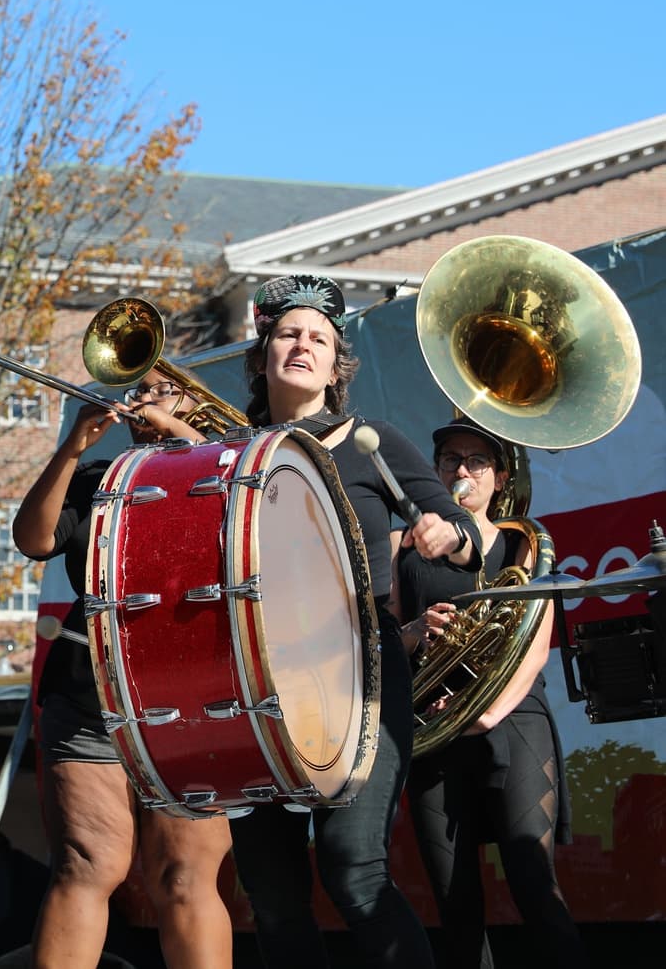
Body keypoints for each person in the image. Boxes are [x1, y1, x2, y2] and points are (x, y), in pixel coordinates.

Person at [225, 274, 482, 969]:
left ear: (337, 364)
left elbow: (465, 533)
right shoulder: (231, 453)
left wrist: (446, 535)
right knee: (271, 889)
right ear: (261, 355)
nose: (301, 346)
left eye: (318, 338)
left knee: (351, 866)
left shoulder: (373, 439)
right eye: (287, 334)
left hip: (358, 677)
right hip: (259, 685)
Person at [13, 362, 235, 969]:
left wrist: (181, 437)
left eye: (162, 391)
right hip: (92, 691)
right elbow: (33, 539)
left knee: (185, 877)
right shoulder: (95, 477)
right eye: (139, 391)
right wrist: (70, 449)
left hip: (193, 697)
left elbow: (244, 507)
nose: (143, 401)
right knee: (88, 862)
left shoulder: (227, 464)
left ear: (194, 404)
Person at [391, 416, 584, 967]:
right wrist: (415, 631)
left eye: (477, 462)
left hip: (512, 719)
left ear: (498, 479)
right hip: (432, 726)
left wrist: (481, 714)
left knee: (534, 884)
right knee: (455, 901)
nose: (462, 470)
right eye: (451, 459)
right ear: (434, 472)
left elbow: (533, 647)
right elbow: (382, 640)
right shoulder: (402, 546)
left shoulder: (522, 542)